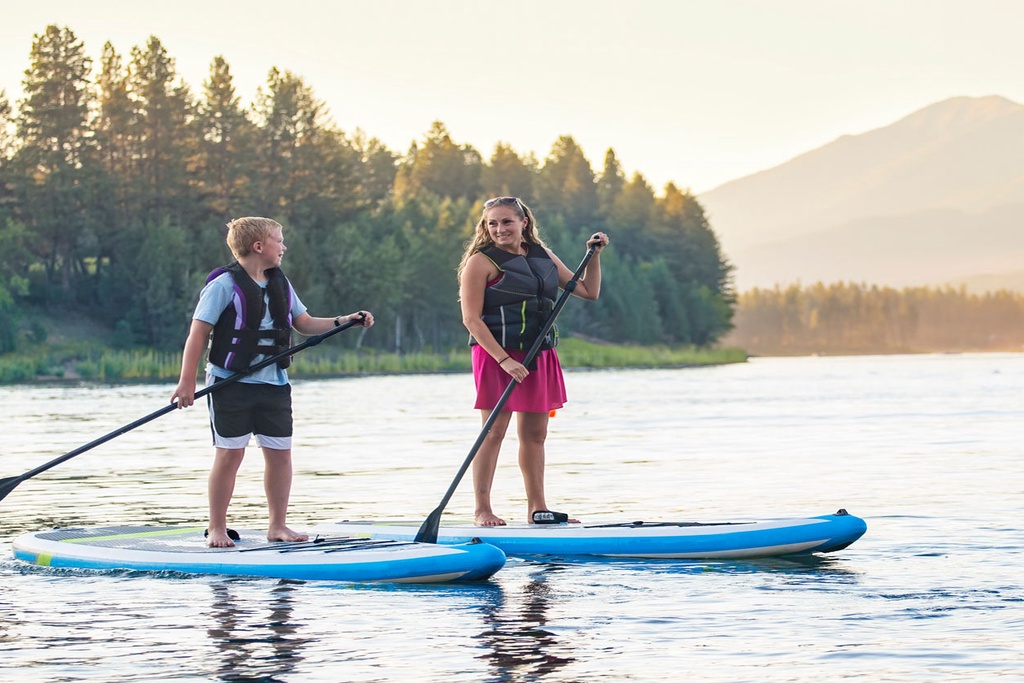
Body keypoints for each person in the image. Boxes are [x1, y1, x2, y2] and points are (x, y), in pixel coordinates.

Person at [171, 216, 374, 547]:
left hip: (274, 384)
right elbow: (198, 334)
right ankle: (217, 528)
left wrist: (344, 321)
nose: (284, 246)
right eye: (279, 240)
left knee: (280, 454)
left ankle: (278, 526)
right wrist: (186, 383)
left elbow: (304, 323)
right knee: (230, 455)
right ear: (259, 246)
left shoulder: (282, 284)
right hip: (229, 384)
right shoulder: (223, 286)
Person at [457, 196, 609, 527]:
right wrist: (503, 360)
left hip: (538, 353)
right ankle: (482, 509)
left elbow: (587, 290)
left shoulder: (542, 257)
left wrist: (594, 257)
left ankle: (537, 508)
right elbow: (472, 319)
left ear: (524, 222)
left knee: (535, 434)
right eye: (492, 223)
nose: (499, 229)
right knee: (493, 431)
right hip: (497, 353)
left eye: (507, 222)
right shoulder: (480, 262)